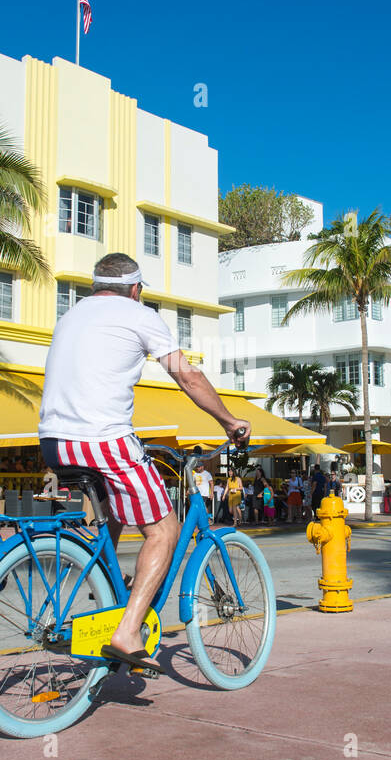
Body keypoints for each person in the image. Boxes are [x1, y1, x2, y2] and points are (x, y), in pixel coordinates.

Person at [37, 252, 249, 675]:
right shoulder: (139, 314)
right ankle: (128, 631)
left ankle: (108, 601)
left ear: (96, 286)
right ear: (135, 289)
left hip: (53, 442)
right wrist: (229, 420)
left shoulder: (72, 314)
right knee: (165, 530)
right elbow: (187, 376)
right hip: (101, 439)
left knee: (114, 516)